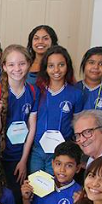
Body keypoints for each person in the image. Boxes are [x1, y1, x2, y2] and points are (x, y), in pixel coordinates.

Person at [0, 44, 37, 204]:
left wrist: (24, 160)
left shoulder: (33, 91)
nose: (17, 69)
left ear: (28, 64)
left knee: (21, 194)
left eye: (22, 63)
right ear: (4, 66)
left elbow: (31, 127)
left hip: (23, 153)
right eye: (11, 65)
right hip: (2, 153)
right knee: (3, 194)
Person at [29, 45, 83, 175]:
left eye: (61, 65)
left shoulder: (76, 94)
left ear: (67, 66)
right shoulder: (36, 91)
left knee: (55, 189)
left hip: (62, 153)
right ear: (45, 68)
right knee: (35, 188)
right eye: (51, 66)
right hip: (37, 150)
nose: (56, 70)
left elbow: (77, 125)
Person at [76, 47, 102, 114]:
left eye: (101, 64)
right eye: (91, 62)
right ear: (84, 64)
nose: (96, 67)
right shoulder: (74, 88)